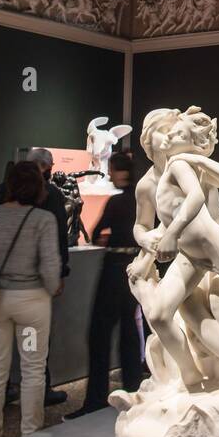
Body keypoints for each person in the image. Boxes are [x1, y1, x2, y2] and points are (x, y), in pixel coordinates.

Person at [0, 161, 62, 437]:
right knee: (33, 368)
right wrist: (51, 286)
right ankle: (30, 434)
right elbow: (49, 267)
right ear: (39, 187)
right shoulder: (42, 220)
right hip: (31, 303)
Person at [66, 152, 144, 420]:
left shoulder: (116, 202)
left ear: (121, 172)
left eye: (112, 170)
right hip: (135, 271)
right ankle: (133, 390)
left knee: (99, 334)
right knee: (129, 331)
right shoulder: (144, 201)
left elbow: (98, 233)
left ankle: (95, 398)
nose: (109, 175)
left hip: (113, 270)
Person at [0, 147, 69, 406]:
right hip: (33, 282)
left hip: (3, 280)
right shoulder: (50, 195)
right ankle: (37, 396)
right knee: (34, 344)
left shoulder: (3, 190)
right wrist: (59, 273)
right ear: (46, 168)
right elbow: (58, 236)